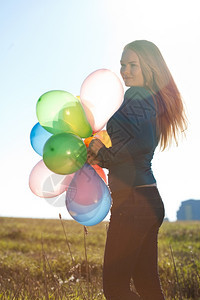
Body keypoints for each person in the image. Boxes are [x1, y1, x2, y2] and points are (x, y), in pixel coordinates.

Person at [87, 40, 187, 300]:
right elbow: (133, 146)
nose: (125, 71)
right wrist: (101, 155)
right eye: (122, 64)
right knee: (148, 286)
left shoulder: (138, 96)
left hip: (133, 203)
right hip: (145, 201)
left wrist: (101, 153)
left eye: (133, 65)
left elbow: (132, 148)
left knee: (115, 288)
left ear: (150, 68)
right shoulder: (151, 100)